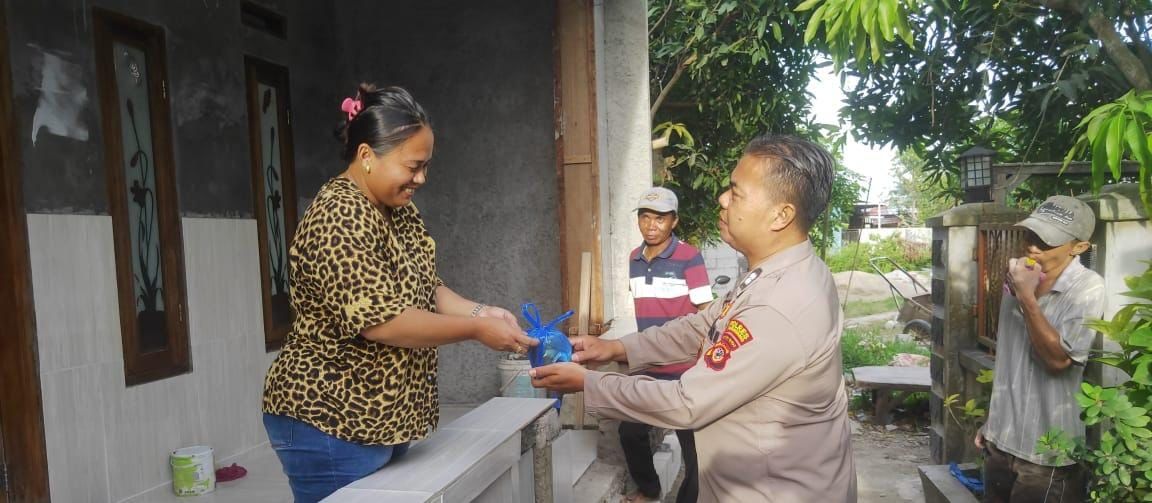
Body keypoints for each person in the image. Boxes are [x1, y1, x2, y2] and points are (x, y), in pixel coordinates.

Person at [531, 134, 857, 502]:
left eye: (736, 193)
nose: (722, 200)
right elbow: (701, 325)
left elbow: (687, 402)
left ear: (781, 215)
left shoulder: (780, 304)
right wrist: (615, 347)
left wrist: (589, 384)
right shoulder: (772, 275)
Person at [261, 84, 537, 503]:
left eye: (426, 166)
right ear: (368, 156)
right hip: (330, 418)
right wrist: (474, 331)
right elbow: (384, 322)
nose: (421, 178)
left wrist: (484, 312)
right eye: (413, 166)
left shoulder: (397, 210)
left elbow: (427, 287)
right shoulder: (339, 216)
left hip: (378, 419)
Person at [976, 195, 1104, 503]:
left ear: (1079, 247)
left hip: (1048, 456)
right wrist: (993, 422)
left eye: (1048, 242)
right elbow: (1011, 361)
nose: (1034, 246)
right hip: (1000, 443)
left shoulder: (1087, 289)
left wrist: (1027, 298)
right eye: (1031, 235)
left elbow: (1059, 361)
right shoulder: (1018, 279)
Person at [621, 186, 711, 503]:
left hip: (685, 369)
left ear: (674, 221)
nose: (651, 225)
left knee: (695, 450)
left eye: (660, 218)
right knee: (630, 431)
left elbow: (706, 314)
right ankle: (650, 490)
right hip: (647, 365)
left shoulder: (689, 257)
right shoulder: (634, 258)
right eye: (645, 217)